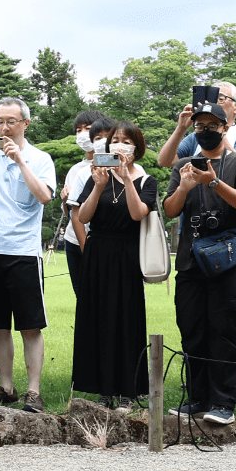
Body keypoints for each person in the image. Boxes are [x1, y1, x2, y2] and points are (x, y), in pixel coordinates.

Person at [163, 103, 236, 426]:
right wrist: (188, 185)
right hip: (191, 261)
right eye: (199, 125)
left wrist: (213, 182)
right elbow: (170, 209)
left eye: (212, 125)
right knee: (192, 329)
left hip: (229, 261)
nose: (205, 130)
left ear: (224, 127)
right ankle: (197, 397)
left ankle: (223, 402)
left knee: (225, 330)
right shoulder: (185, 167)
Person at [0, 96, 57, 413]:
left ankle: (34, 391)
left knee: (31, 326)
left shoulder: (40, 158)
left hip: (23, 252)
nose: (3, 127)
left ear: (25, 124)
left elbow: (45, 197)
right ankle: (5, 386)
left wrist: (19, 161)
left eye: (10, 121)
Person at [71, 121, 156, 410]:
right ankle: (102, 388)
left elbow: (137, 214)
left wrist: (127, 179)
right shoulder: (95, 176)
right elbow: (82, 218)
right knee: (97, 318)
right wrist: (99, 186)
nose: (120, 145)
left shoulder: (146, 181)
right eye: (116, 140)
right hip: (97, 253)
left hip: (128, 255)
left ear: (137, 147)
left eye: (126, 141)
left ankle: (128, 391)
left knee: (126, 320)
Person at [60, 111, 112, 297]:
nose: (82, 134)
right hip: (76, 241)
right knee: (85, 297)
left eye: (88, 129)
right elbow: (73, 214)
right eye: (78, 130)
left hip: (111, 243)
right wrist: (67, 200)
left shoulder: (128, 168)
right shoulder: (77, 170)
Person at [157, 80, 236, 168]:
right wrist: (181, 128)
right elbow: (165, 162)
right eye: (211, 98)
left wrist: (218, 127)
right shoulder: (196, 136)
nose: (213, 103)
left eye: (220, 98)